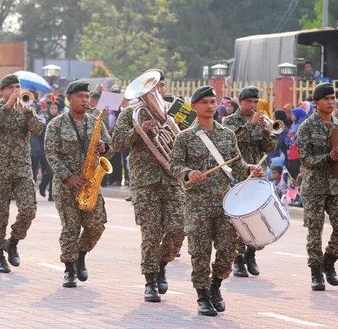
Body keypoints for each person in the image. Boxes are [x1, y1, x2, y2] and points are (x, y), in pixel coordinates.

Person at [170, 86, 262, 316]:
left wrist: (251, 168)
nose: (210, 106)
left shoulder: (227, 134)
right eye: (204, 103)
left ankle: (215, 286)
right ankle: (202, 295)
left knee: (227, 250)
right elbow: (174, 166)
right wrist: (189, 172)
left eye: (213, 102)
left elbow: (237, 165)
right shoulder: (185, 137)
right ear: (194, 107)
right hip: (197, 204)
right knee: (200, 252)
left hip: (224, 202)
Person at [111, 70, 185, 302]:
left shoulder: (179, 108)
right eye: (155, 87)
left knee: (178, 228)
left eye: (161, 86)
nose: (158, 91)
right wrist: (137, 132)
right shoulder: (132, 113)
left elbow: (199, 135)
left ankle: (162, 264)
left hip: (173, 178)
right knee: (151, 233)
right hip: (145, 182)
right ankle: (150, 280)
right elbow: (116, 142)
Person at [45, 80, 114, 288]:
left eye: (87, 97)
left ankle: (81, 255)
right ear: (69, 99)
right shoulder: (56, 124)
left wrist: (104, 147)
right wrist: (67, 176)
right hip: (67, 186)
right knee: (71, 228)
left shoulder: (96, 122)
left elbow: (110, 149)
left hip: (90, 183)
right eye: (80, 97)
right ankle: (69, 268)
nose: (85, 100)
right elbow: (51, 153)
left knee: (97, 225)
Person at [297, 83, 338, 291]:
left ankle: (328, 262)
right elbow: (306, 159)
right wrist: (327, 158)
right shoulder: (306, 127)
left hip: (336, 185)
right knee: (314, 231)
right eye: (326, 99)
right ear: (316, 103)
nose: (331, 102)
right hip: (314, 187)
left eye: (333, 98)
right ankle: (315, 273)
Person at [0, 74, 43, 273]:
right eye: (12, 87)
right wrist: (8, 105)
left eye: (18, 87)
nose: (16, 91)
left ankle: (14, 241)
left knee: (29, 210)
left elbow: (37, 130)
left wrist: (27, 112)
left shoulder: (25, 109)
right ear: (3, 91)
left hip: (22, 168)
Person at [223, 86, 277, 278]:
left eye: (255, 102)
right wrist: (251, 125)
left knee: (257, 218)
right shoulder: (229, 121)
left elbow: (270, 146)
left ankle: (251, 254)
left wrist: (265, 131)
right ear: (240, 102)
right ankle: (238, 259)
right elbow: (231, 142)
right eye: (249, 102)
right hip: (238, 174)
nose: (253, 106)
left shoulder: (262, 121)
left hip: (258, 173)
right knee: (238, 220)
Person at [38, 97, 62, 201]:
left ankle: (52, 194)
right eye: (51, 108)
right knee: (48, 171)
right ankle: (43, 185)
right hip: (45, 149)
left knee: (54, 172)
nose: (53, 110)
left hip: (57, 149)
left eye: (55, 108)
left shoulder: (61, 119)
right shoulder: (43, 118)